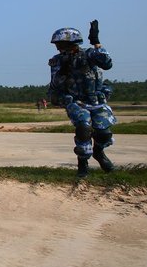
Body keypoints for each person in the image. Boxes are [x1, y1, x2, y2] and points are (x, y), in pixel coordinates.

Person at [47, 20, 116, 178]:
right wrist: (62, 72)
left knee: (104, 133)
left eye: (61, 44)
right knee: (83, 128)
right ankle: (83, 163)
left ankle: (99, 152)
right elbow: (55, 85)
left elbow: (107, 64)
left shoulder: (89, 55)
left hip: (96, 101)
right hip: (76, 101)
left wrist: (96, 43)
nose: (58, 47)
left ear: (71, 42)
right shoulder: (58, 61)